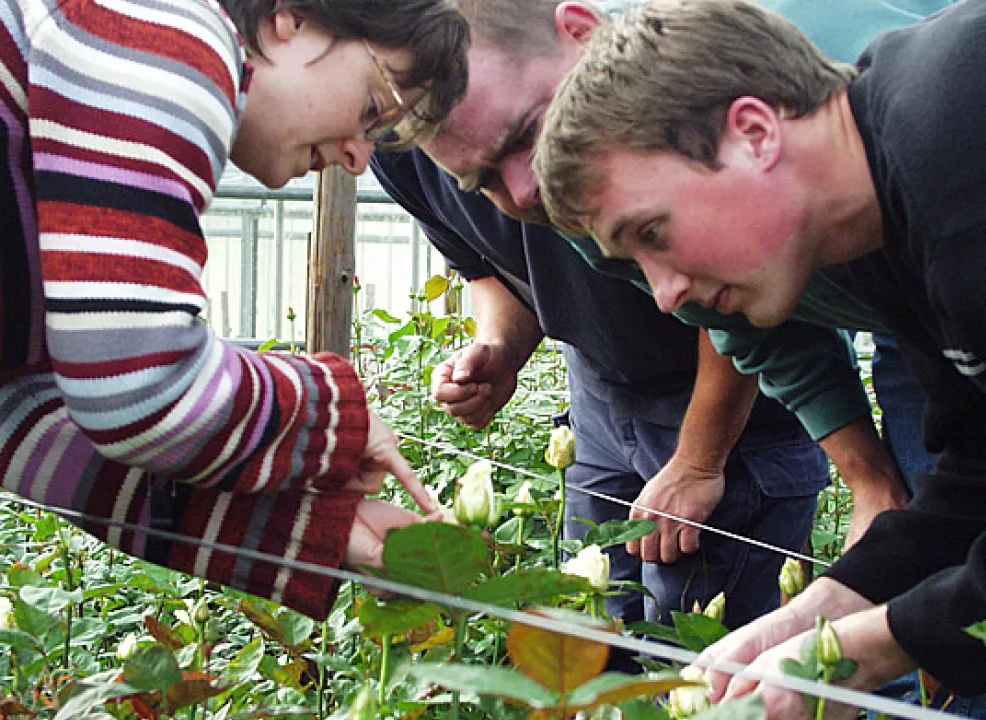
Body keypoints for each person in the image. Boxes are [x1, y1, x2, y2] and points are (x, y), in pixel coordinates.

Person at [535, 0, 986, 715]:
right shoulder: (886, 202)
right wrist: (823, 610)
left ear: (754, 133)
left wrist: (873, 649)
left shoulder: (977, 160)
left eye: (652, 233)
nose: (663, 294)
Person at [371, 0, 914, 633]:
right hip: (615, 385)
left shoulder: (694, 83)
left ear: (581, 34)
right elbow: (747, 326)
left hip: (758, 394)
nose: (523, 189)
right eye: (482, 179)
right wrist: (870, 484)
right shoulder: (560, 186)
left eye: (525, 135)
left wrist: (703, 459)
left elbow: (756, 315)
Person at [0, 0, 468, 621]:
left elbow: (24, 424)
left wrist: (325, 525)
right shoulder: (161, 29)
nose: (360, 157)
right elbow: (137, 386)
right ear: (293, 17)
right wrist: (332, 417)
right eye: (371, 109)